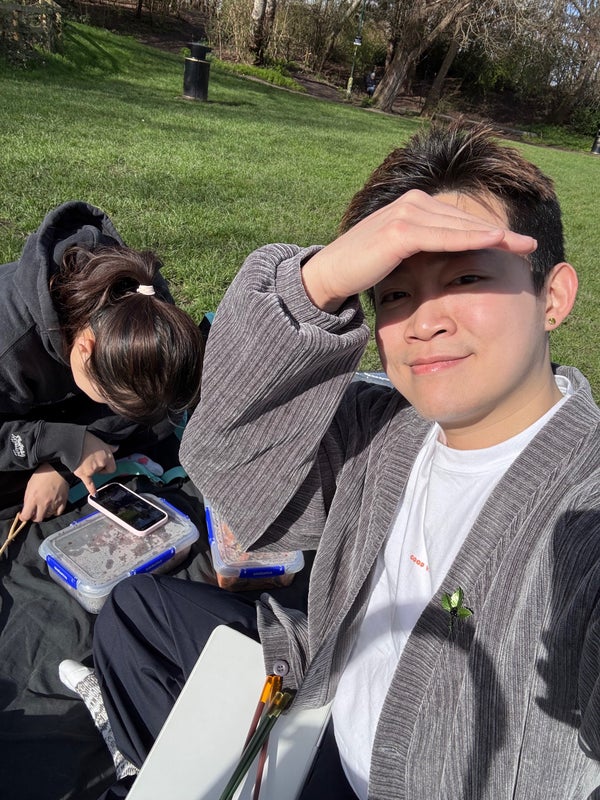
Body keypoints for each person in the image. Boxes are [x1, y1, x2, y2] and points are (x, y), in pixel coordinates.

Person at [84, 122, 599, 799]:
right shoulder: (384, 430)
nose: (424, 322)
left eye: (468, 276)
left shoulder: (584, 517)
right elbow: (225, 456)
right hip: (323, 695)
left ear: (553, 297)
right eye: (394, 293)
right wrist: (319, 280)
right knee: (134, 612)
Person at [0, 201, 204, 523]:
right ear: (86, 348)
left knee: (166, 410)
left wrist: (61, 464)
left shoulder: (148, 302)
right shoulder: (10, 343)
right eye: (108, 397)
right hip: (13, 405)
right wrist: (54, 444)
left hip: (61, 391)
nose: (112, 407)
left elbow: (148, 403)